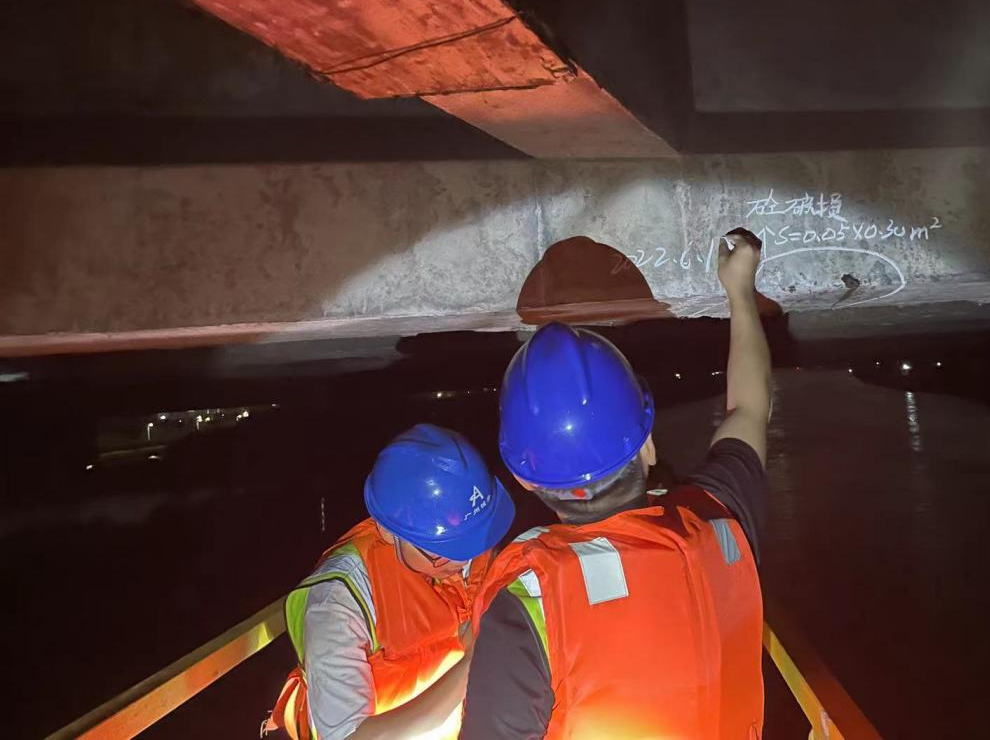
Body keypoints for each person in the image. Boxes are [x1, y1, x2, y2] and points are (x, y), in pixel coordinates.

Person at [460, 232, 772, 739]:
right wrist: (740, 290)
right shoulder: (721, 519)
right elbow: (749, 410)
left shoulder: (528, 606)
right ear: (646, 445)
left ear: (524, 478)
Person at [265, 424, 515, 740]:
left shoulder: (475, 548)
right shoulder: (339, 599)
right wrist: (472, 663)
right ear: (388, 531)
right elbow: (348, 736)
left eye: (474, 541)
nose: (464, 561)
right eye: (443, 552)